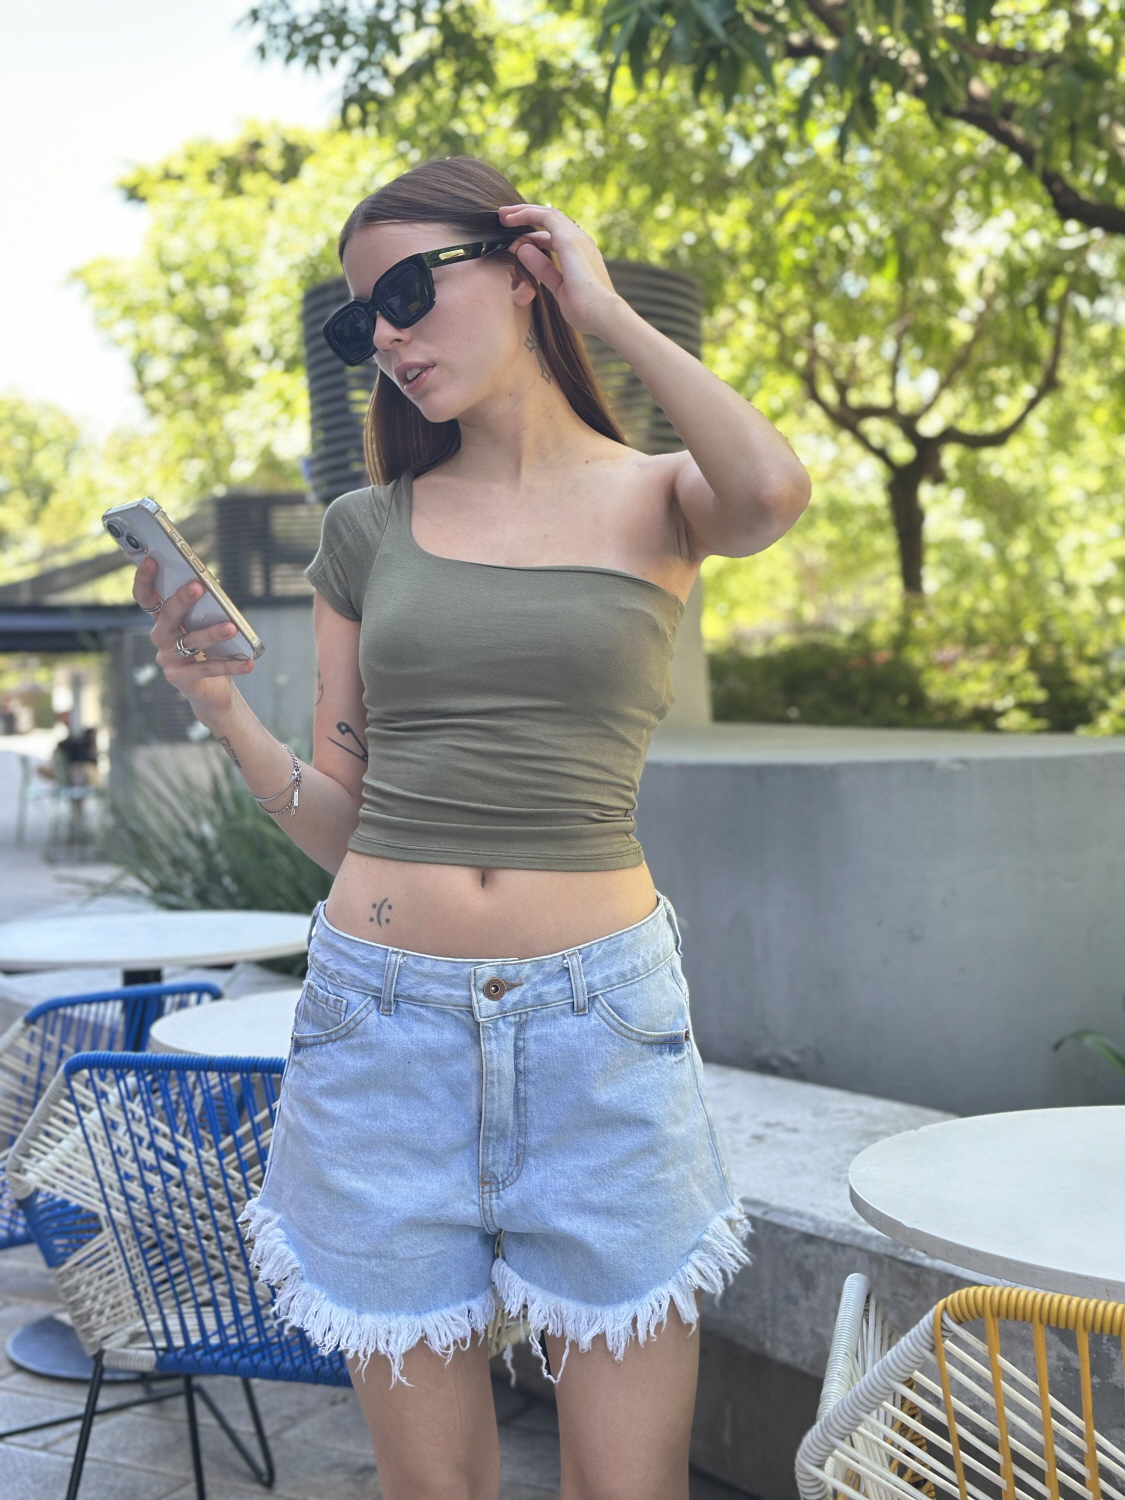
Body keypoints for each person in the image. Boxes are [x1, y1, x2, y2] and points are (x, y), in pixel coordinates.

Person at [133, 156, 810, 1500]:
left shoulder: (659, 496)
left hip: (600, 1033)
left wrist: (605, 309)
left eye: (404, 293)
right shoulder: (364, 529)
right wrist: (221, 710)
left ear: (523, 269)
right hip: (380, 1032)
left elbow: (773, 493)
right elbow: (343, 822)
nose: (384, 337)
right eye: (358, 321)